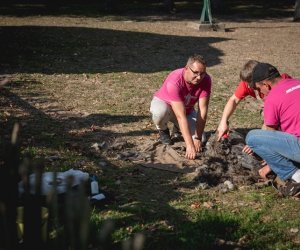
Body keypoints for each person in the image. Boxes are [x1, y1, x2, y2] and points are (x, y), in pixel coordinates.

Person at [217, 60, 291, 179]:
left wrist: (259, 142)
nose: (249, 87)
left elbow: (274, 125)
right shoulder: (247, 83)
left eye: (251, 85)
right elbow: (234, 100)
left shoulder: (278, 83)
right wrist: (223, 121)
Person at [245, 62, 300, 197]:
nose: (260, 93)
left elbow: (269, 136)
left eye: (259, 89)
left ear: (266, 85)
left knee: (253, 138)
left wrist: (270, 165)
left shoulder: (272, 97)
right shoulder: (297, 82)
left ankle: (296, 176)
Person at [150, 54, 211, 160]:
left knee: (202, 139)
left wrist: (197, 138)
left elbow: (203, 111)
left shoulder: (206, 80)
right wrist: (189, 146)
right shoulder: (175, 80)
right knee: (159, 112)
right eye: (195, 73)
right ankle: (163, 130)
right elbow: (180, 116)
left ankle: (178, 128)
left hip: (186, 110)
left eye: (202, 73)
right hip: (166, 106)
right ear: (186, 68)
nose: (199, 77)